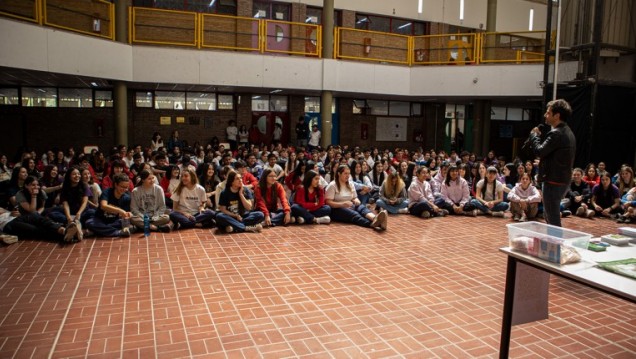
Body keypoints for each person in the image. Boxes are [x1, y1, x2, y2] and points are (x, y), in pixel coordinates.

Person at [527, 99, 576, 227]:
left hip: (553, 181)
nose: (545, 115)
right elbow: (558, 157)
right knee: (550, 216)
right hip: (561, 179)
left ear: (557, 115)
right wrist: (544, 162)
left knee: (552, 218)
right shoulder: (567, 132)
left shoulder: (556, 133)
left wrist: (534, 136)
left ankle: (555, 245)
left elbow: (539, 150)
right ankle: (552, 245)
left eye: (548, 113)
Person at [325, 164, 387, 230]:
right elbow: (328, 202)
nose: (347, 176)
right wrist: (342, 204)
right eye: (345, 173)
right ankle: (373, 224)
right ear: (339, 174)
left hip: (350, 205)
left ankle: (375, 218)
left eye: (349, 174)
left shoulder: (350, 183)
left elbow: (354, 197)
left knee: (362, 208)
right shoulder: (332, 185)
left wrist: (356, 200)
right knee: (355, 214)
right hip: (337, 209)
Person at [47, 167, 95, 240]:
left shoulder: (84, 185)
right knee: (52, 213)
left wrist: (78, 214)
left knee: (92, 212)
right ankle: (75, 226)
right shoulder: (65, 188)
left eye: (78, 174)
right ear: (69, 176)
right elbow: (65, 205)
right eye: (74, 174)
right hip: (70, 213)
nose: (77, 176)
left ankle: (73, 227)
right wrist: (69, 217)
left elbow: (85, 202)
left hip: (82, 212)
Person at [85, 173, 135, 238]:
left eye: (126, 187)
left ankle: (98, 231)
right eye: (122, 187)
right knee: (89, 222)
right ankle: (118, 232)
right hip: (100, 219)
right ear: (116, 185)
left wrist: (128, 214)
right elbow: (103, 206)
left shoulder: (127, 198)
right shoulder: (107, 192)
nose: (124, 189)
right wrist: (120, 210)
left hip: (114, 222)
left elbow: (124, 214)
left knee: (127, 223)